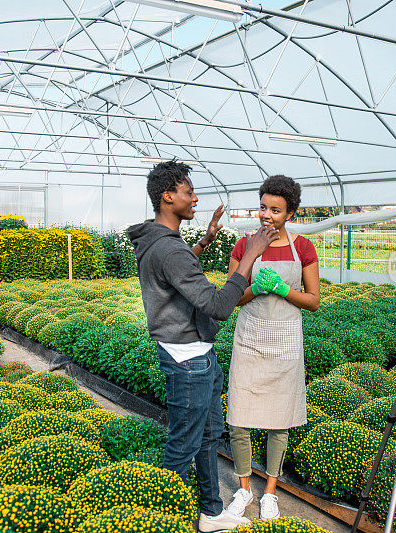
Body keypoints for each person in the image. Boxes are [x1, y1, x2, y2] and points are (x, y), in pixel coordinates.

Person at [128, 160, 278, 533]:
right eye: (189, 192)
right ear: (168, 197)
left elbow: (176, 269)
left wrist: (206, 240)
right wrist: (250, 255)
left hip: (197, 355)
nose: (195, 199)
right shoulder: (168, 249)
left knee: (209, 436)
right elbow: (217, 306)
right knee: (183, 446)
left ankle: (210, 512)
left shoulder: (161, 241)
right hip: (188, 361)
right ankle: (155, 520)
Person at [224, 175, 320, 520]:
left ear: (290, 213)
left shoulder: (303, 248)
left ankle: (270, 493)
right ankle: (244, 489)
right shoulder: (243, 245)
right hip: (250, 338)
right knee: (239, 417)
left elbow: (312, 301)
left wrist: (280, 289)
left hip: (285, 340)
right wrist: (256, 289)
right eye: (263, 207)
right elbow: (233, 298)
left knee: (280, 420)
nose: (266, 214)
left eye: (275, 210)